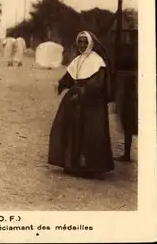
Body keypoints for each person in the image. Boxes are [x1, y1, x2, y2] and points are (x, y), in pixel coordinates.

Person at [48, 31, 114, 178]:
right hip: (75, 100)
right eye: (80, 42)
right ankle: (72, 164)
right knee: (72, 131)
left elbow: (99, 84)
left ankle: (90, 167)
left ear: (91, 43)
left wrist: (83, 92)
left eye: (85, 42)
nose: (82, 45)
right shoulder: (77, 60)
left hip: (92, 104)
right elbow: (69, 78)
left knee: (90, 132)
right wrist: (60, 84)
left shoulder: (98, 62)